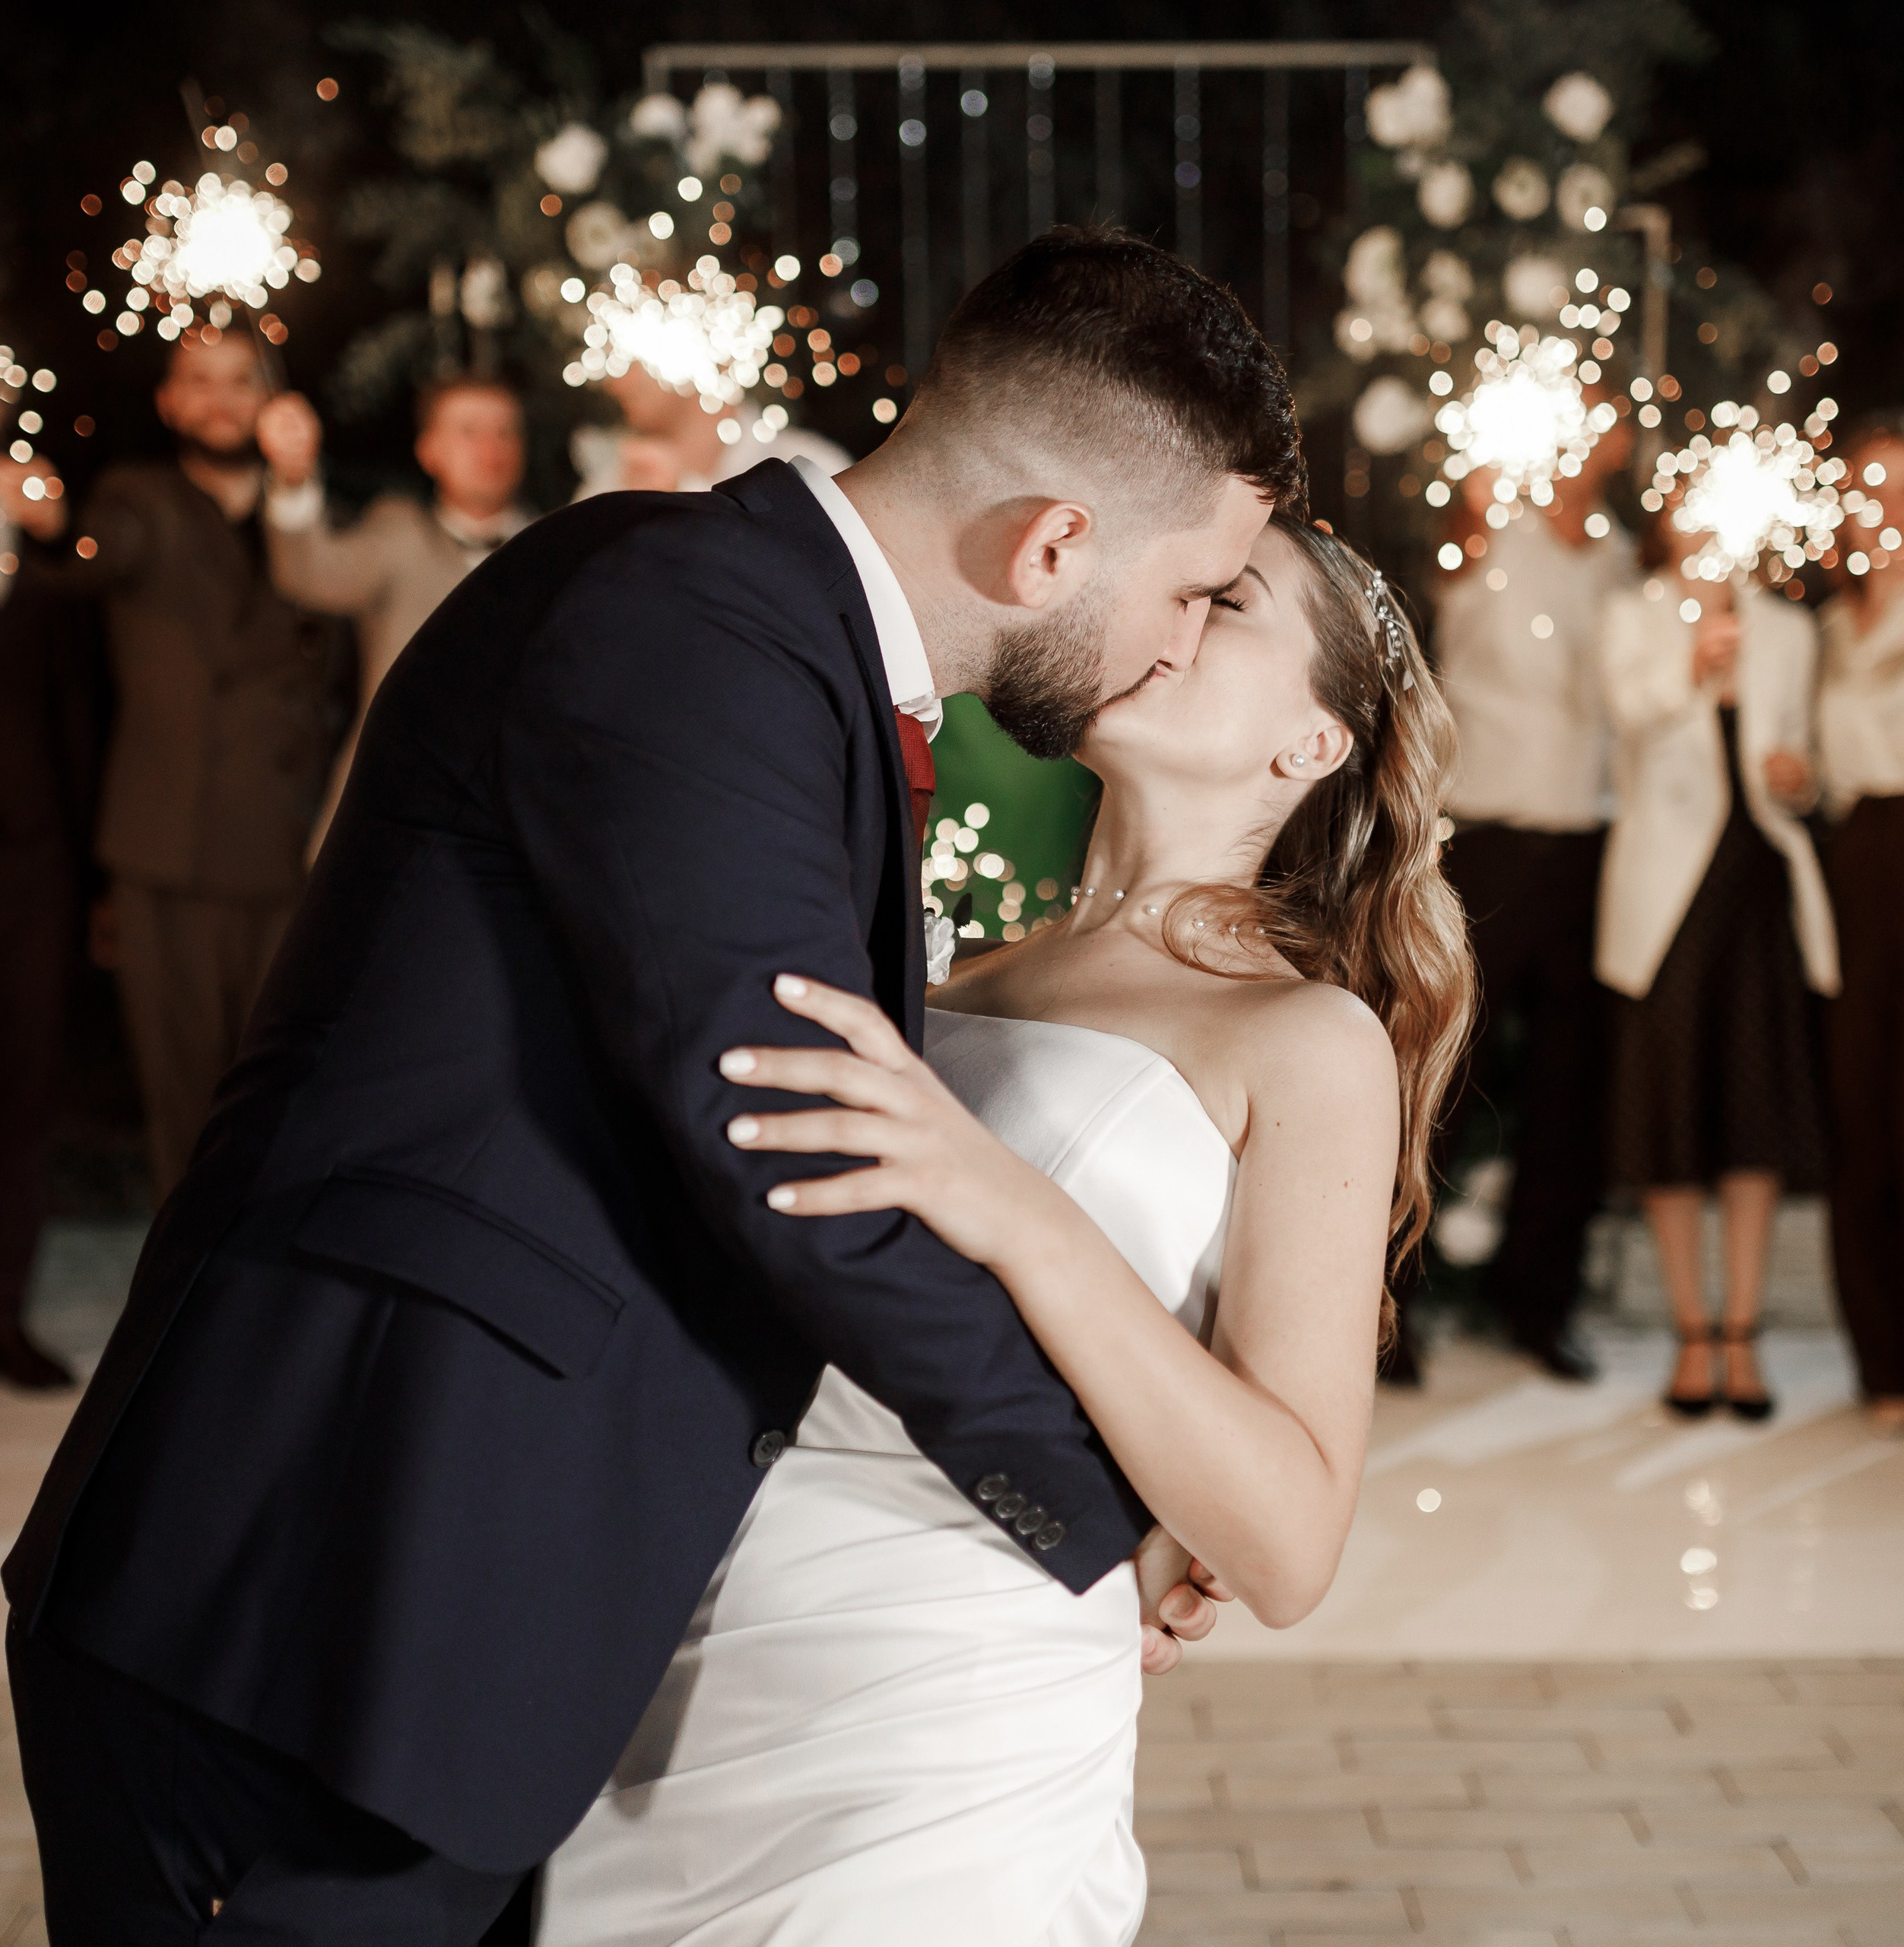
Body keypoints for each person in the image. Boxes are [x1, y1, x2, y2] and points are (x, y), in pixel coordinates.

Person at [5, 227, 1295, 1945]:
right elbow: (780, 1142)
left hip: (439, 1598)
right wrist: (1102, 1501)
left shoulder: (770, 635)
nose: (1184, 635)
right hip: (316, 1572)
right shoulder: (688, 612)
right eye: (1194, 587)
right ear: (1051, 542)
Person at [538, 512, 1473, 1943]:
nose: (1166, 616)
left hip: (948, 1709)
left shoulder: (1304, 1036)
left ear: (1314, 744)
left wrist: (1015, 1212)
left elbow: (1287, 1540)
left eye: (1229, 604)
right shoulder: (951, 966)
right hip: (697, 1638)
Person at [0, 327, 339, 1202]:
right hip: (170, 854)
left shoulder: (313, 517)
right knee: (185, 1116)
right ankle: (182, 1318)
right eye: (199, 381)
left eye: (241, 380)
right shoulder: (137, 499)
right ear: (166, 402)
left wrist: (298, 488)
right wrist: (51, 523)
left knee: (289, 1108)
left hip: (290, 853)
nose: (221, 400)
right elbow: (91, 548)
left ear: (276, 402)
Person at [1596, 498, 1836, 1418]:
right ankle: (1691, 1333)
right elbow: (1626, 713)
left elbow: (1804, 759)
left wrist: (1798, 777)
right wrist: (1690, 669)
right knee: (1669, 1117)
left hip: (1757, 889)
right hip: (1665, 901)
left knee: (1754, 1111)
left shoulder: (1786, 625)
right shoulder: (1636, 615)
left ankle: (1741, 1331)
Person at [1417, 405, 1636, 1381]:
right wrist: (1473, 509)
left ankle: (1537, 1300)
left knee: (1570, 1087)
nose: (1594, 442)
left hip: (1593, 844)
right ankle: (1393, 1302)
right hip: (1488, 843)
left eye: (1612, 427)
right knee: (1446, 1073)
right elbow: (1448, 579)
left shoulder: (1624, 560)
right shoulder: (1483, 527)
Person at [257, 376, 533, 860]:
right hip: (392, 818)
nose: (492, 448)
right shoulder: (400, 533)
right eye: (469, 431)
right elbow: (308, 574)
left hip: (508, 829)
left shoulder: (552, 545)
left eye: (506, 431)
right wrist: (294, 479)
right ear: (430, 452)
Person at [1817, 413, 1904, 1436]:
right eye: (1872, 487)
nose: (1893, 512)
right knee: (1859, 1112)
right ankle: (1886, 1360)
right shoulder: (1815, 629)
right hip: (1848, 871)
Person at [0, 484, 100, 1390]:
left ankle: (5, 1314)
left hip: (32, 865)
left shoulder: (37, 572)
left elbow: (80, 707)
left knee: (24, 1098)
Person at [572, 358, 849, 497]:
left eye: (630, 354)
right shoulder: (607, 487)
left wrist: (678, 496)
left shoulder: (809, 470)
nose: (614, 381)